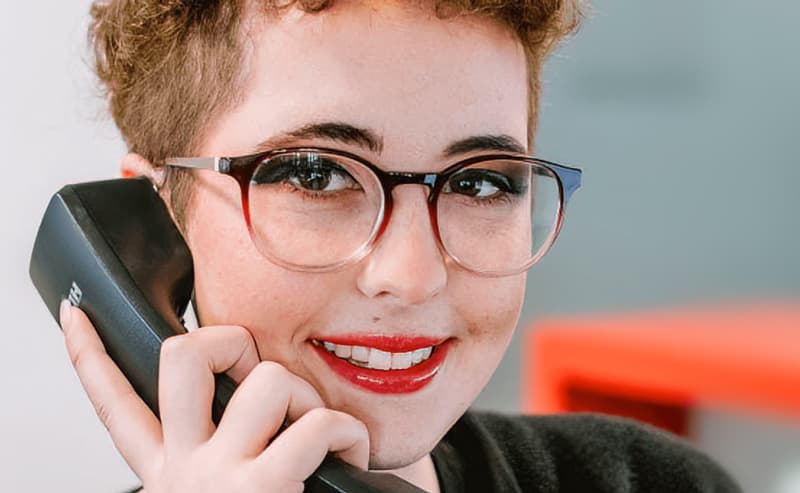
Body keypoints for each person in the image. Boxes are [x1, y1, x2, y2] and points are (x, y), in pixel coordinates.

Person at [59, 0, 742, 491]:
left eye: (479, 183)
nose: (414, 275)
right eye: (316, 173)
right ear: (158, 222)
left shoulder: (651, 479)